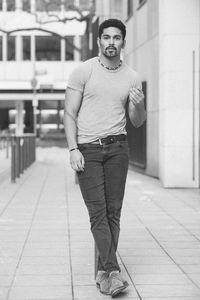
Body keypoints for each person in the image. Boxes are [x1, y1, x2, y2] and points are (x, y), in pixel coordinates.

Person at [64, 18, 146, 297]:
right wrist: (73, 148)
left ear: (124, 41)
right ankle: (112, 271)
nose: (111, 42)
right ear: (99, 40)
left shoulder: (132, 76)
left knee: (114, 212)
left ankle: (104, 273)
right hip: (88, 149)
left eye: (117, 38)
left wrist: (139, 105)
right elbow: (69, 113)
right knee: (97, 213)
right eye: (106, 37)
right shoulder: (83, 71)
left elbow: (136, 121)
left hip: (118, 149)